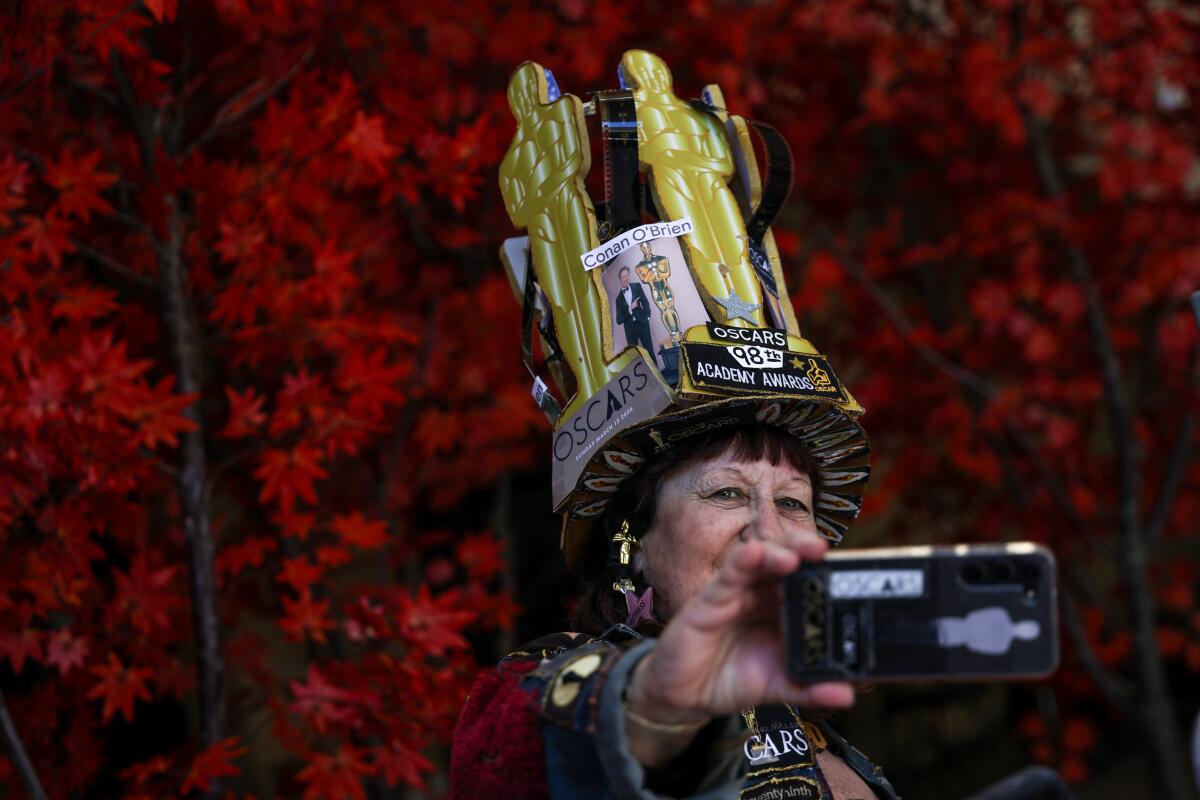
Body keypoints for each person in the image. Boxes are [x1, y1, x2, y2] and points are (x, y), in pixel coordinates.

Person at [450, 418, 896, 799]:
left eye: (792, 502)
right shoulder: (563, 665)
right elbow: (495, 768)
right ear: (636, 544)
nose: (770, 532)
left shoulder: (830, 741)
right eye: (726, 492)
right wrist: (651, 710)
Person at [615, 265, 655, 356]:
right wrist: (630, 309)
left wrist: (647, 317)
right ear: (620, 279)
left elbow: (645, 302)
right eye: (623, 277)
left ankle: (656, 370)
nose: (625, 279)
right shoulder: (618, 299)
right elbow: (619, 320)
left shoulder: (636, 286)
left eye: (626, 276)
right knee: (637, 356)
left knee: (650, 351)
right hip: (630, 330)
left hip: (643, 323)